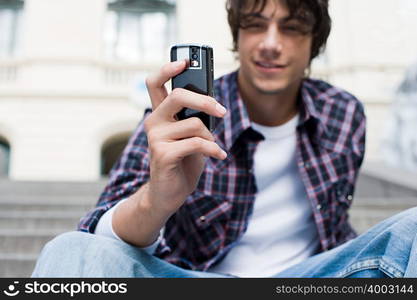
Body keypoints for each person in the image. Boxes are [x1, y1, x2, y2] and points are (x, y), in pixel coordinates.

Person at [32, 0, 417, 278]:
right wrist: (156, 200)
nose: (270, 42)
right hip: (195, 278)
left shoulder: (344, 112)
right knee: (70, 249)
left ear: (314, 43)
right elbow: (98, 232)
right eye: (255, 24)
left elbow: (336, 226)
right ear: (238, 35)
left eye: (292, 27)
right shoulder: (182, 108)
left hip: (313, 278)